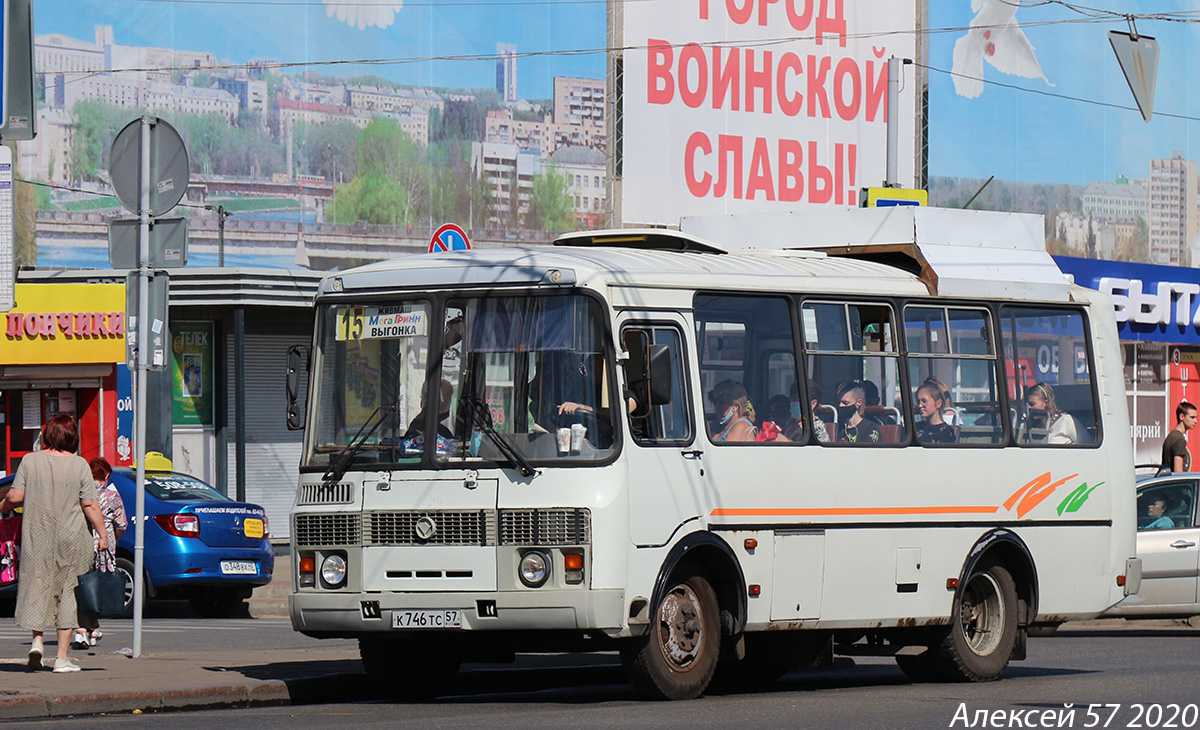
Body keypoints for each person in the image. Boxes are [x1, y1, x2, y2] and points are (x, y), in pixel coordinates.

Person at [0, 415, 109, 674]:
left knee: (38, 585)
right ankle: (61, 658)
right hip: (73, 539)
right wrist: (103, 534)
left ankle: (37, 640)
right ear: (72, 437)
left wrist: (3, 507)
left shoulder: (30, 460)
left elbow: (15, 496)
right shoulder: (80, 465)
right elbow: (90, 505)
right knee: (68, 595)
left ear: (48, 435)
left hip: (38, 536)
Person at [72, 457, 127, 650]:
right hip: (104, 544)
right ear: (107, 475)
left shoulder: (79, 493)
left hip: (81, 541)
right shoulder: (112, 496)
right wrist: (114, 537)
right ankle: (91, 628)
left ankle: (82, 629)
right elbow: (122, 524)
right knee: (97, 585)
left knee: (81, 585)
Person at [1161, 401, 1197, 475]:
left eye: (1196, 418)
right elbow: (1178, 473)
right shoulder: (1179, 439)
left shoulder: (1172, 435)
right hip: (1176, 485)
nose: (1196, 421)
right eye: (1192, 417)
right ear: (1182, 417)